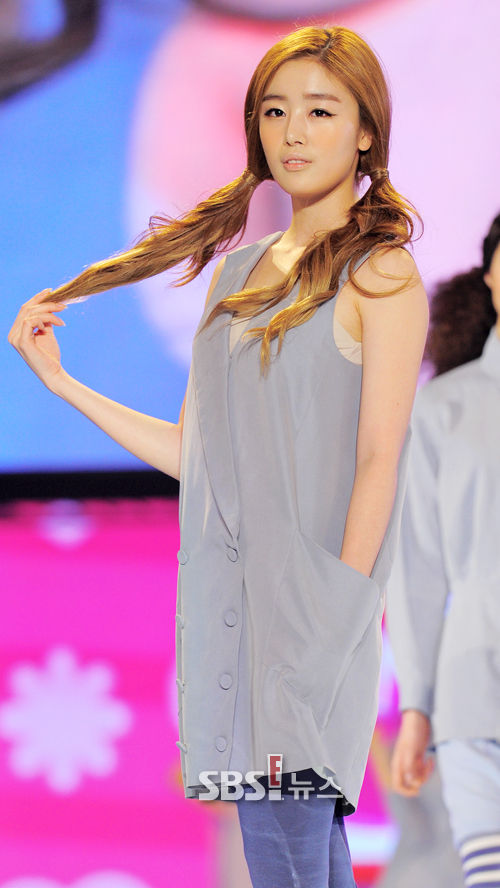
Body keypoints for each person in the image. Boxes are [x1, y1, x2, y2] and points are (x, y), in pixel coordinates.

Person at [8, 24, 428, 888]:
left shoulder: (382, 274)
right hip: (229, 617)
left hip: (312, 622)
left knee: (290, 854)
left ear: (365, 131)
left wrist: (333, 621)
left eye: (321, 111)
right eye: (275, 111)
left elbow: (379, 460)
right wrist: (62, 384)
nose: (294, 132)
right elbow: (196, 456)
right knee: (292, 858)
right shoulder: (236, 276)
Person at [387, 213, 500, 888]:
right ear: (489, 276)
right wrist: (417, 710)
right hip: (474, 695)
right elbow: (417, 573)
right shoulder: (444, 408)